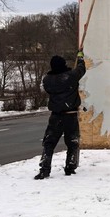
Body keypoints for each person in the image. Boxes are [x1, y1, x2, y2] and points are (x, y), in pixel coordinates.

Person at [34, 50, 87, 180]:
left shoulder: (47, 80)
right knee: (72, 142)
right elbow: (81, 69)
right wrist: (80, 58)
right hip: (70, 115)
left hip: (55, 116)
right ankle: (70, 167)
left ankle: (44, 169)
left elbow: (66, 76)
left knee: (49, 142)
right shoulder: (70, 76)